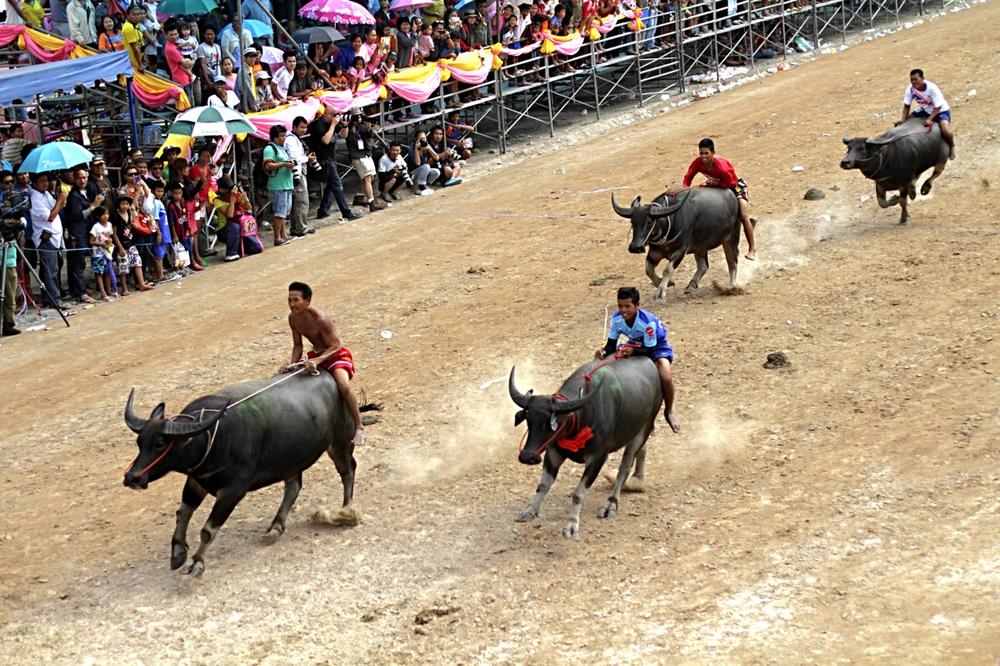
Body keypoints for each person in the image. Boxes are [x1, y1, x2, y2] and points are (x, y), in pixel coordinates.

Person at [281, 281, 366, 447]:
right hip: (315, 355)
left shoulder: (321, 319)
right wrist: (292, 366)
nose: (292, 304)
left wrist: (318, 360)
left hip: (335, 355)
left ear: (308, 300)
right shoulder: (293, 319)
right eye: (289, 300)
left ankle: (358, 426)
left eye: (296, 300)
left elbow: (336, 345)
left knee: (343, 386)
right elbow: (298, 345)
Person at [595, 286, 680, 433]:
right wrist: (603, 352)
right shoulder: (616, 319)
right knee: (602, 361)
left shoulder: (647, 324)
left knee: (666, 375)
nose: (623, 310)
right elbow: (610, 346)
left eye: (627, 306)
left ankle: (669, 411)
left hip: (656, 347)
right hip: (634, 343)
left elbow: (650, 349)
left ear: (637, 305)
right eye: (620, 306)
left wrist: (633, 351)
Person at [681, 138, 756, 260]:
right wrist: (683, 191)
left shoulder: (722, 167)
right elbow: (688, 178)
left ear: (713, 152)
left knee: (743, 214)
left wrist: (715, 183)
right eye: (701, 153)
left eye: (706, 153)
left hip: (736, 187)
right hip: (718, 187)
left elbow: (732, 183)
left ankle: (752, 249)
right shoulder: (697, 163)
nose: (703, 157)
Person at [309, 105, 359, 222]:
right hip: (323, 159)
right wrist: (333, 125)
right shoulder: (319, 124)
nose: (337, 117)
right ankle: (347, 213)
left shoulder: (332, 123)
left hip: (331, 158)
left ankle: (322, 211)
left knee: (332, 186)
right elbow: (326, 140)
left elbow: (344, 135)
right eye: (335, 114)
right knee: (337, 185)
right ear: (327, 114)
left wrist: (345, 125)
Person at [29, 172, 68, 310]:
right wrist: (59, 201)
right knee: (50, 271)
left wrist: (60, 200)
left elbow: (56, 209)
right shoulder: (35, 198)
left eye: (46, 180)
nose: (45, 183)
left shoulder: (46, 194)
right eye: (41, 181)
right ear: (34, 183)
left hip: (55, 237)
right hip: (46, 238)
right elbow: (50, 216)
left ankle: (49, 299)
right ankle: (55, 300)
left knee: (53, 269)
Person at [899, 68, 955, 160]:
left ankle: (952, 145)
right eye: (911, 80)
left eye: (916, 79)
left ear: (922, 78)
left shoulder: (932, 88)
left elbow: (938, 106)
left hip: (941, 110)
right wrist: (903, 119)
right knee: (907, 121)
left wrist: (929, 119)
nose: (913, 82)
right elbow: (906, 105)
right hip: (925, 109)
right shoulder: (910, 89)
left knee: (945, 130)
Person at [64, 167, 101, 304]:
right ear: (74, 179)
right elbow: (78, 215)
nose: (83, 180)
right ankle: (80, 293)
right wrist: (94, 206)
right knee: (78, 264)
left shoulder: (83, 193)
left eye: (85, 177)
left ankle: (79, 289)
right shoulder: (73, 195)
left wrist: (94, 204)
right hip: (77, 233)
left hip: (84, 231)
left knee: (80, 263)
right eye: (79, 178)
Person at [343, 115, 385, 212]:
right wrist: (346, 125)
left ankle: (359, 197)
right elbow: (344, 136)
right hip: (357, 156)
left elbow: (369, 137)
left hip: (366, 153)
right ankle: (371, 202)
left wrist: (369, 128)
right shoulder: (345, 126)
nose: (357, 119)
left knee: (371, 177)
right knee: (367, 178)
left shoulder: (361, 126)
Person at [263, 125, 295, 247]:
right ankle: (277, 237)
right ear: (275, 137)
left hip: (286, 184)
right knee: (279, 213)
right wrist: (284, 164)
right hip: (278, 185)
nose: (284, 138)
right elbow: (267, 165)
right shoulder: (270, 149)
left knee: (283, 212)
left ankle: (283, 235)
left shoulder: (280, 148)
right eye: (282, 136)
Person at [284, 116, 315, 237]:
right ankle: (301, 227)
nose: (304, 130)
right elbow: (295, 158)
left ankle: (297, 227)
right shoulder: (291, 140)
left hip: (298, 171)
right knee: (301, 200)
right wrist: (308, 158)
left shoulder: (295, 139)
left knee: (298, 201)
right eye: (301, 127)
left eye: (305, 127)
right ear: (294, 127)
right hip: (297, 172)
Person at [88, 205, 116, 301]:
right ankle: (103, 293)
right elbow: (91, 241)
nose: (106, 216)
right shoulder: (95, 227)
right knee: (99, 272)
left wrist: (110, 241)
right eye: (103, 214)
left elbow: (110, 236)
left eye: (107, 214)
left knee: (107, 271)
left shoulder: (109, 225)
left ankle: (108, 290)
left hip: (107, 251)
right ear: (98, 216)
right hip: (98, 252)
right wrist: (101, 244)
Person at [164, 21, 196, 101]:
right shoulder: (171, 48)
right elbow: (186, 64)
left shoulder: (174, 46)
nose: (174, 37)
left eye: (176, 34)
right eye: (171, 35)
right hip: (181, 79)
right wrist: (195, 59)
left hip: (184, 77)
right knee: (187, 102)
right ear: (166, 35)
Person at [406, 129, 441, 196]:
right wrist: (416, 149)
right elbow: (418, 163)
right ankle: (418, 187)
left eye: (424, 138)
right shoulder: (412, 148)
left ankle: (423, 185)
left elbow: (437, 158)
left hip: (423, 172)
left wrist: (429, 149)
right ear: (416, 139)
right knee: (426, 166)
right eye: (421, 139)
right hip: (412, 174)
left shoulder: (426, 145)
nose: (423, 140)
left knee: (436, 172)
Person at [122, 3, 146, 73]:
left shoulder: (137, 25)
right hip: (133, 62)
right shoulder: (128, 27)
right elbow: (134, 47)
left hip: (139, 58)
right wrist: (140, 64)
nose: (137, 16)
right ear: (128, 15)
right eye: (134, 14)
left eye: (138, 14)